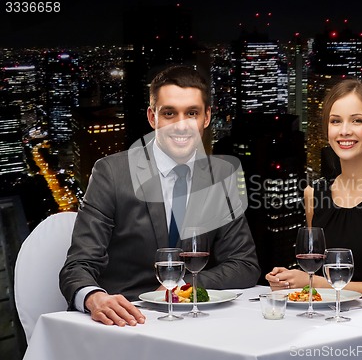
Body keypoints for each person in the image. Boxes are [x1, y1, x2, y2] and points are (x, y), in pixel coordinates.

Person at [60, 65, 260, 326]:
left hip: (199, 320)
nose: (181, 125)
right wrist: (94, 297)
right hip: (127, 320)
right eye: (169, 113)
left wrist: (182, 287)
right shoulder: (111, 173)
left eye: (192, 113)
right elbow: (78, 265)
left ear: (207, 117)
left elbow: (244, 265)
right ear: (152, 118)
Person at [266, 79, 362, 304]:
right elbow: (314, 268)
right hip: (328, 317)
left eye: (357, 121)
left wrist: (310, 282)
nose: (344, 131)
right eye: (336, 121)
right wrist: (287, 280)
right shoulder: (313, 195)